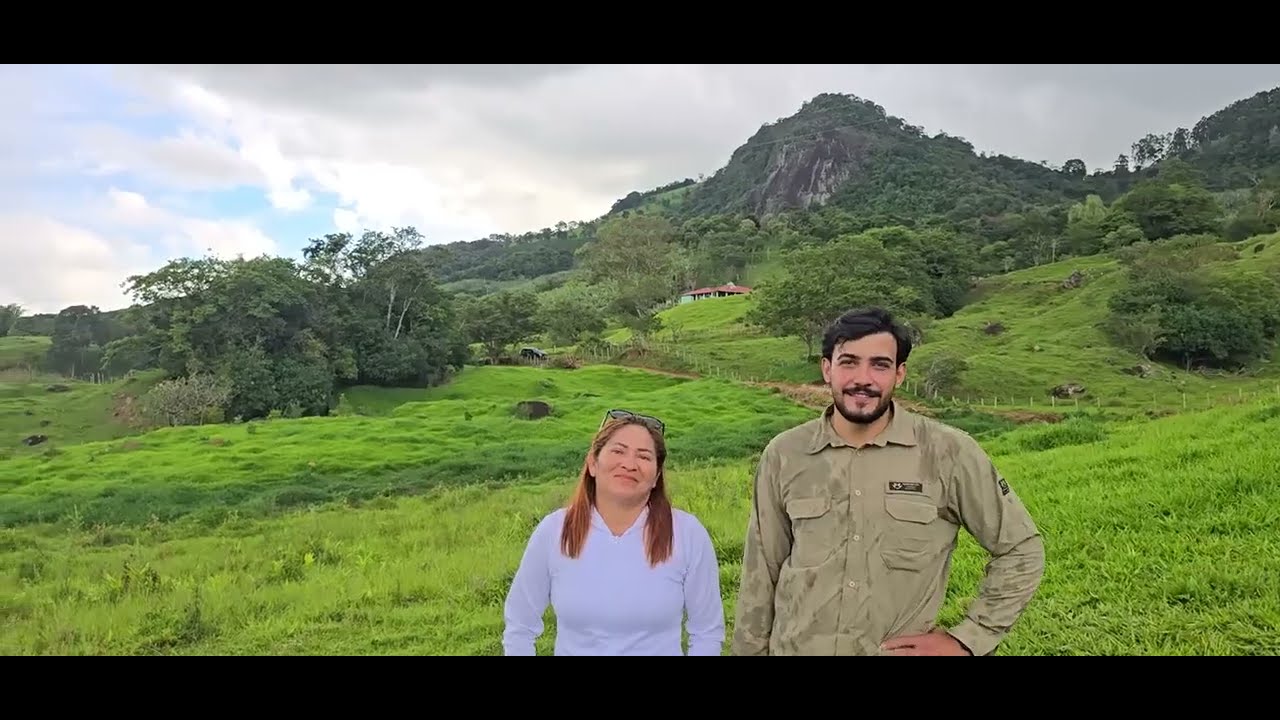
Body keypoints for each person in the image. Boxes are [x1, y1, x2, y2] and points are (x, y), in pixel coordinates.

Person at [731, 307, 1045, 656]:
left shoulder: (948, 453)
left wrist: (968, 639)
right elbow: (760, 574)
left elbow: (1020, 548)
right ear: (826, 369)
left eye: (879, 365)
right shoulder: (786, 454)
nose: (862, 378)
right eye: (848, 362)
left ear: (899, 374)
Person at [502, 409, 726, 656]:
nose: (629, 465)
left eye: (644, 456)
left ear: (656, 476)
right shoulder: (554, 531)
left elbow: (706, 632)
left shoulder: (687, 533)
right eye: (618, 451)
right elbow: (519, 626)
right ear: (592, 463)